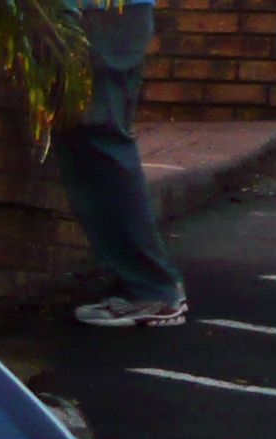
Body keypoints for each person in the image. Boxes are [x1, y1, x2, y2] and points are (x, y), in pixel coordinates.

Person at [61, 0, 188, 327]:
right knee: (93, 140)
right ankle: (147, 283)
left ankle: (153, 289)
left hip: (102, 14)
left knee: (99, 140)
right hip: (113, 13)